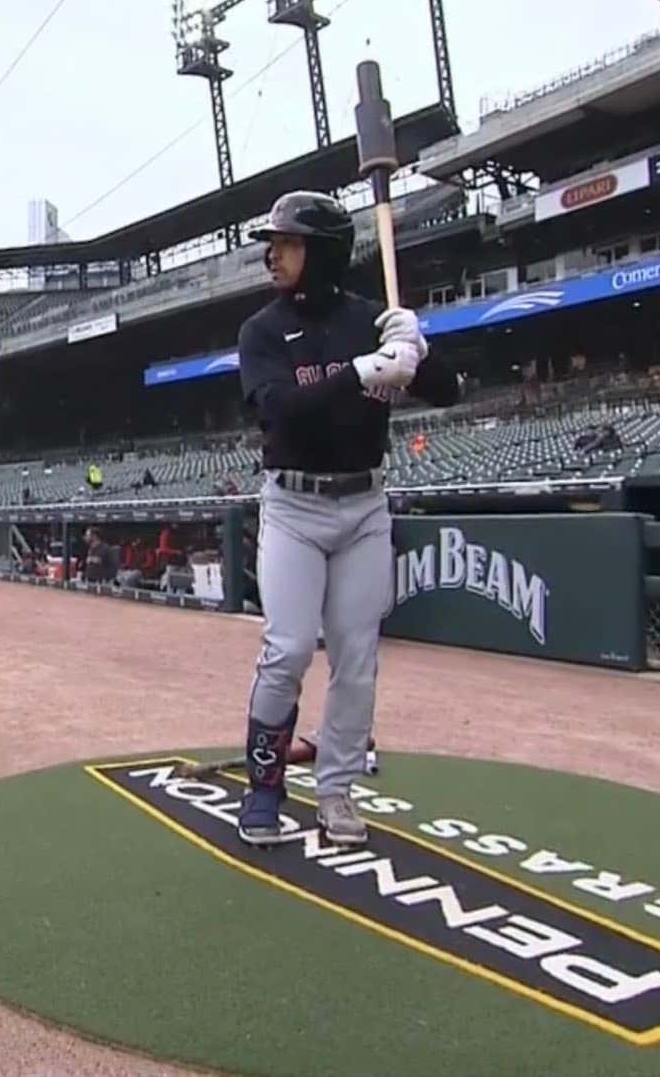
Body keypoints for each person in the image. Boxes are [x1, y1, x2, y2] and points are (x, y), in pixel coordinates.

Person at [232, 190, 459, 847]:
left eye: (286, 243)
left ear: (323, 252)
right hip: (293, 506)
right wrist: (360, 371)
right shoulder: (263, 330)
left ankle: (334, 792)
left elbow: (447, 392)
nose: (271, 254)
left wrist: (417, 347)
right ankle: (264, 790)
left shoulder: (372, 319)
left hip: (363, 506)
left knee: (356, 660)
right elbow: (276, 408)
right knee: (289, 648)